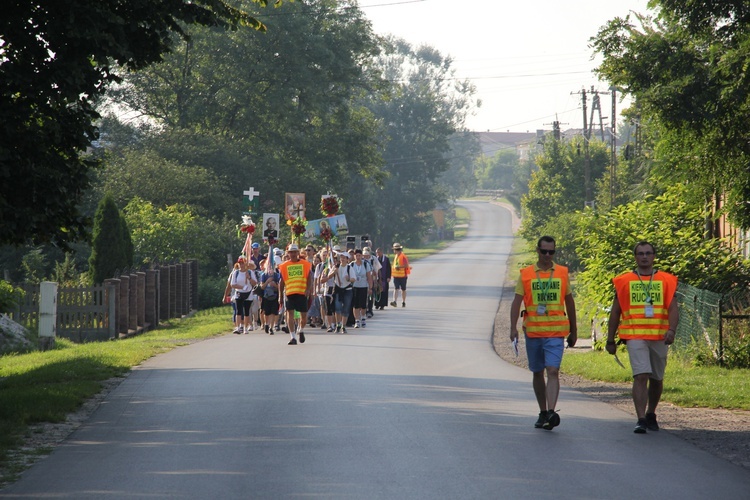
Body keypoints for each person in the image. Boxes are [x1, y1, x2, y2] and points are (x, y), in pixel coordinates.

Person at [606, 241, 679, 434]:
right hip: (635, 335)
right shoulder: (624, 281)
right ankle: (640, 419)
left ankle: (651, 413)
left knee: (656, 378)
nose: (644, 257)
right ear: (635, 257)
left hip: (659, 336)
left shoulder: (665, 280)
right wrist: (610, 339)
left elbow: (673, 308)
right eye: (640, 254)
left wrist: (671, 330)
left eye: (648, 253)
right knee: (641, 375)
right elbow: (615, 312)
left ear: (654, 256)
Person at [510, 236, 577, 430]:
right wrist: (512, 328)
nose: (548, 256)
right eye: (544, 251)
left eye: (551, 252)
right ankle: (542, 411)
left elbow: (569, 302)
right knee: (537, 372)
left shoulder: (562, 273)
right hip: (533, 332)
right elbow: (516, 302)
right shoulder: (526, 274)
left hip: (556, 332)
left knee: (553, 370)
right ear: (537, 250)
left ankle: (551, 412)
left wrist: (574, 330)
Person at [278, 243, 314, 345]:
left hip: (301, 292)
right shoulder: (284, 266)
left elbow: (309, 278)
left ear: (298, 253)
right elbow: (281, 281)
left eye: (294, 252)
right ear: (288, 253)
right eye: (291, 252)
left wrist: (308, 289)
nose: (293, 254)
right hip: (290, 293)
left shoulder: (305, 264)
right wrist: (280, 296)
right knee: (290, 314)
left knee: (304, 316)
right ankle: (292, 337)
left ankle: (301, 329)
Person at [328, 251, 355, 333]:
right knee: (337, 308)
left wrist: (348, 279)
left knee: (346, 308)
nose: (342, 259)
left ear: (347, 259)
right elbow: (329, 276)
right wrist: (334, 272)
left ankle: (343, 326)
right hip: (338, 289)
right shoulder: (336, 267)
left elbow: (353, 279)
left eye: (344, 258)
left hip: (347, 290)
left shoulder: (349, 268)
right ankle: (338, 324)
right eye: (341, 257)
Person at [230, 257, 258, 334]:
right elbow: (232, 284)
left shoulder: (249, 272)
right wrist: (242, 287)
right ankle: (238, 327)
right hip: (239, 293)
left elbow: (255, 283)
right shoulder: (236, 273)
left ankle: (245, 327)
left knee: (246, 311)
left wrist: (249, 278)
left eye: (243, 263)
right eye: (240, 263)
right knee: (238, 310)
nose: (241, 265)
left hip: (248, 293)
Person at [350, 248, 373, 328]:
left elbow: (369, 277)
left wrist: (370, 288)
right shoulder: (351, 265)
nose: (358, 257)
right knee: (355, 305)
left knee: (363, 305)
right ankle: (357, 320)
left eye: (359, 255)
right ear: (354, 256)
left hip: (363, 286)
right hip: (354, 287)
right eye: (356, 255)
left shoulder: (366, 264)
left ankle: (363, 318)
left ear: (362, 256)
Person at [259, 258, 281, 335]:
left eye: (272, 266)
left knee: (273, 312)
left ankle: (271, 327)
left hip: (274, 296)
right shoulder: (264, 275)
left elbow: (280, 287)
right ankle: (266, 324)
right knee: (266, 312)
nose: (270, 268)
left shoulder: (277, 275)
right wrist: (267, 281)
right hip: (266, 296)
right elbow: (262, 287)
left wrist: (274, 285)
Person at [390, 243, 411, 307]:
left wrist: (399, 267)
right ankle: (395, 301)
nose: (393, 251)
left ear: (396, 249)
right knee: (396, 288)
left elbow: (406, 265)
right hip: (396, 276)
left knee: (403, 289)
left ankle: (403, 301)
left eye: (394, 249)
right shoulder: (396, 256)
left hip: (403, 276)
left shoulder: (403, 256)